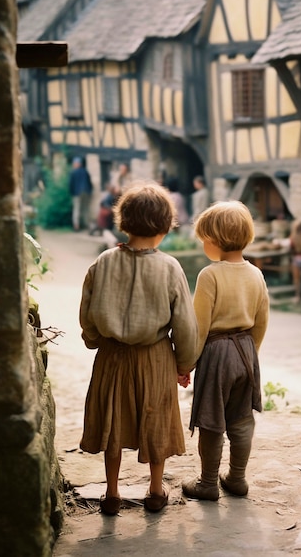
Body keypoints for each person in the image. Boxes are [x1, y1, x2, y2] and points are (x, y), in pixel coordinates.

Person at [79, 182, 198, 515]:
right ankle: (156, 490)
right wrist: (184, 363)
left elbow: (87, 314)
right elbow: (186, 324)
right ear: (164, 225)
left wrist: (95, 341)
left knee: (113, 422)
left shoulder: (102, 262)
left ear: (123, 221)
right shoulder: (170, 268)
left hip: (112, 356)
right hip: (155, 357)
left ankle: (112, 493)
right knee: (155, 420)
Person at [182, 201, 270, 501]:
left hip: (217, 353)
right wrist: (250, 356)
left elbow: (199, 326)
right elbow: (261, 321)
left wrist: (187, 364)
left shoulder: (210, 275)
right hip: (246, 351)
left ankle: (207, 483)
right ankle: (237, 478)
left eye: (204, 239)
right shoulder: (256, 275)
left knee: (211, 421)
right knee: (242, 419)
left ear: (215, 241)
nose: (203, 245)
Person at [69, 156, 93, 231]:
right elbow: (90, 183)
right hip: (86, 192)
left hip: (77, 193)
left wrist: (72, 193)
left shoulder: (73, 172)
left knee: (77, 209)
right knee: (86, 209)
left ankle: (76, 226)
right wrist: (90, 191)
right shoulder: (85, 171)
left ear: (77, 164)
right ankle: (86, 225)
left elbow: (71, 184)